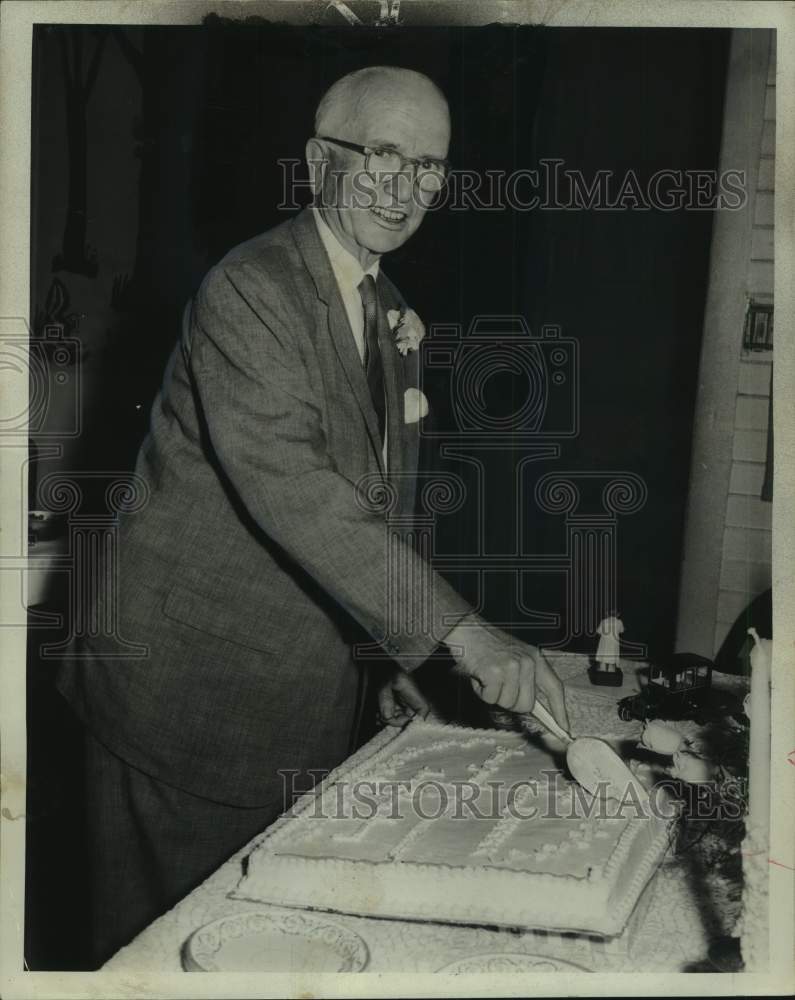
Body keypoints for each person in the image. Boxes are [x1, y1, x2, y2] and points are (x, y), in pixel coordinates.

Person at [56, 65, 569, 966]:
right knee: (167, 963)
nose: (402, 188)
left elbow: (382, 510)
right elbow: (298, 492)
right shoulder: (251, 289)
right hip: (180, 701)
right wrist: (465, 635)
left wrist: (394, 660)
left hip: (296, 704)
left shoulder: (393, 312)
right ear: (314, 161)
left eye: (427, 168)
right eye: (379, 154)